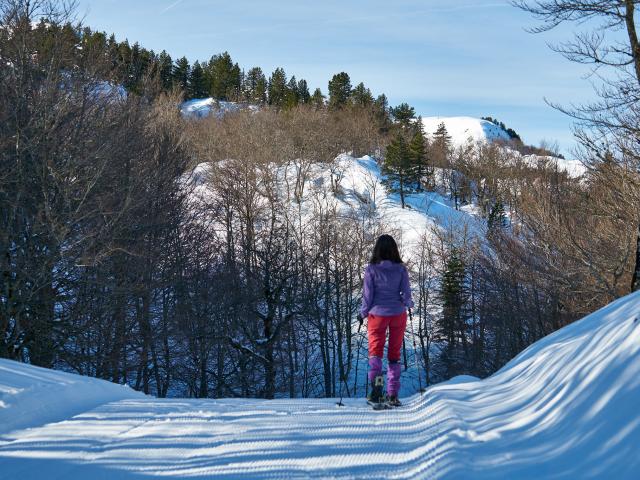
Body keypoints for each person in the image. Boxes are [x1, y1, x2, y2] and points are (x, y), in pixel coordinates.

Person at [359, 234, 413, 407]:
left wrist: (363, 313)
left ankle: (377, 391)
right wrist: (408, 304)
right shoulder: (401, 269)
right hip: (398, 313)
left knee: (376, 352)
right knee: (394, 354)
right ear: (394, 250)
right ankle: (392, 394)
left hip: (377, 315)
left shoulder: (371, 269)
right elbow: (406, 293)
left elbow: (368, 296)